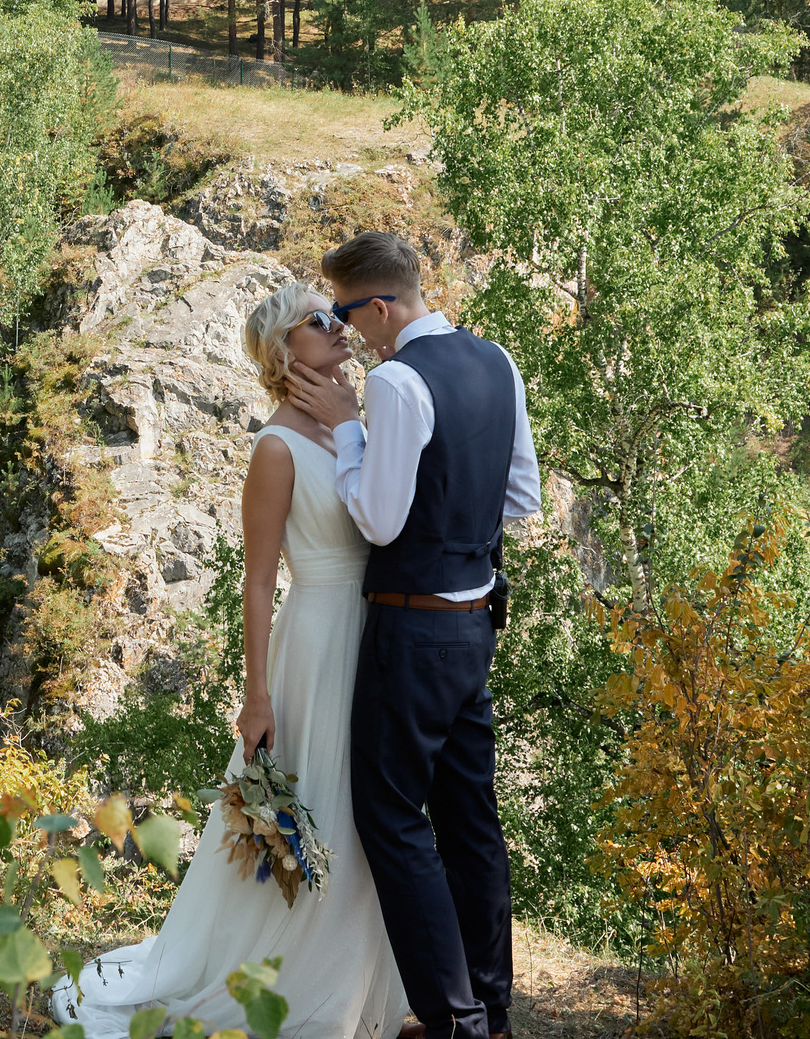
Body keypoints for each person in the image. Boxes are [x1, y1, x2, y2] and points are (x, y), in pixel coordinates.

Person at [51, 281, 410, 1039]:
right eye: (319, 320)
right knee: (316, 812)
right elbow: (256, 578)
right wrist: (257, 696)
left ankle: (354, 989)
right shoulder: (276, 446)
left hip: (371, 636)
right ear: (286, 353)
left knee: (365, 810)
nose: (337, 324)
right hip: (315, 642)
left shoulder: (348, 426)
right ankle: (296, 988)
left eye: (334, 312)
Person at [290, 231, 539, 1039]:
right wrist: (455, 522)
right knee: (471, 818)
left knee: (392, 817)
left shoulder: (396, 380)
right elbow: (522, 494)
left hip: (413, 629)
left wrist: (350, 428)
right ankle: (492, 1011)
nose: (348, 328)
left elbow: (380, 517)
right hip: (475, 625)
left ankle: (450, 1019)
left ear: (383, 305)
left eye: (346, 312)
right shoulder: (496, 359)